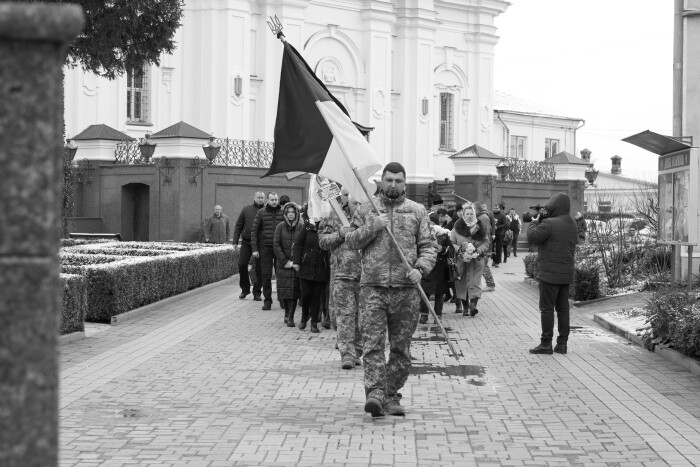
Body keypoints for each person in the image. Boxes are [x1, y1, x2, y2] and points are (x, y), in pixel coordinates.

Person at [345, 162, 437, 418]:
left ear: (405, 183)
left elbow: (429, 246)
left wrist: (421, 267)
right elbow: (350, 242)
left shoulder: (417, 211)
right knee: (373, 345)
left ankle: (390, 393)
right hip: (372, 289)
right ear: (381, 181)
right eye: (389, 180)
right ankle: (375, 394)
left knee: (400, 349)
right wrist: (371, 227)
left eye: (398, 180)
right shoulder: (366, 209)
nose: (393, 185)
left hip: (406, 290)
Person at [527, 193, 578, 355]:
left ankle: (546, 343)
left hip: (549, 273)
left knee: (547, 308)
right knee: (563, 308)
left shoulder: (549, 223)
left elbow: (532, 237)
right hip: (565, 273)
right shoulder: (572, 224)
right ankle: (562, 344)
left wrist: (534, 223)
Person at [319, 187, 363, 369]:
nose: (358, 207)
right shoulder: (334, 217)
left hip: (366, 276)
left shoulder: (369, 219)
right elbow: (322, 241)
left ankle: (357, 351)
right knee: (344, 316)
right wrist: (340, 234)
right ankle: (346, 354)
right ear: (346, 202)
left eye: (360, 204)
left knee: (362, 318)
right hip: (343, 274)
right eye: (354, 203)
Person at [293, 211, 331, 333]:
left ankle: (314, 322)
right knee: (305, 295)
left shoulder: (328, 227)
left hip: (321, 267)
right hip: (306, 267)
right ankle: (304, 316)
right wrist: (296, 261)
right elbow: (298, 244)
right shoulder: (308, 226)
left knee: (316, 296)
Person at [450, 202, 490, 316]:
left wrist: (478, 251)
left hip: (477, 260)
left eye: (471, 214)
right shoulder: (457, 227)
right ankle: (465, 306)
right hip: (461, 260)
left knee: (475, 282)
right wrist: (461, 250)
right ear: (463, 215)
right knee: (461, 283)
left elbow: (486, 242)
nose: (469, 216)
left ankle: (473, 306)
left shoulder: (480, 226)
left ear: (474, 214)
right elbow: (451, 243)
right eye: (467, 214)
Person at [251, 192, 283, 310]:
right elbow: (254, 231)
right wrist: (255, 249)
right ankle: (267, 300)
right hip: (266, 247)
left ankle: (282, 299)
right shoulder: (261, 212)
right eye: (272, 200)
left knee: (281, 273)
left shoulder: (283, 211)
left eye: (276, 199)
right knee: (266, 274)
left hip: (280, 247)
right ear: (268, 200)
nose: (274, 202)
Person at [273, 203, 303, 327]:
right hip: (283, 265)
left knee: (294, 292)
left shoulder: (301, 227)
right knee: (284, 291)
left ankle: (290, 316)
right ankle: (286, 312)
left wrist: (296, 262)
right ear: (285, 214)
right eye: (288, 212)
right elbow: (276, 244)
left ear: (296, 213)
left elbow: (303, 245)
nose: (291, 214)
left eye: (293, 212)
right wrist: (285, 261)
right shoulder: (280, 227)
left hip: (296, 266)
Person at [418, 225, 454, 324]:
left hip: (441, 269)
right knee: (425, 291)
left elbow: (452, 251)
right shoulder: (424, 235)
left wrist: (442, 249)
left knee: (440, 293)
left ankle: (438, 315)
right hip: (427, 266)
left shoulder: (445, 236)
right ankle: (424, 314)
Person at [232, 192, 265, 300]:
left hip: (260, 244)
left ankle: (257, 292)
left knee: (259, 268)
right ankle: (245, 289)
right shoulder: (246, 209)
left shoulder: (266, 211)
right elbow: (238, 226)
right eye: (258, 197)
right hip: (247, 242)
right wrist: (235, 241)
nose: (260, 199)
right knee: (242, 265)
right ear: (254, 198)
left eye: (262, 198)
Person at [477, 202, 496, 291]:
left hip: (483, 245)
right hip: (482, 244)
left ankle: (490, 284)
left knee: (484, 265)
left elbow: (484, 232)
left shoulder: (483, 217)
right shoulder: (481, 216)